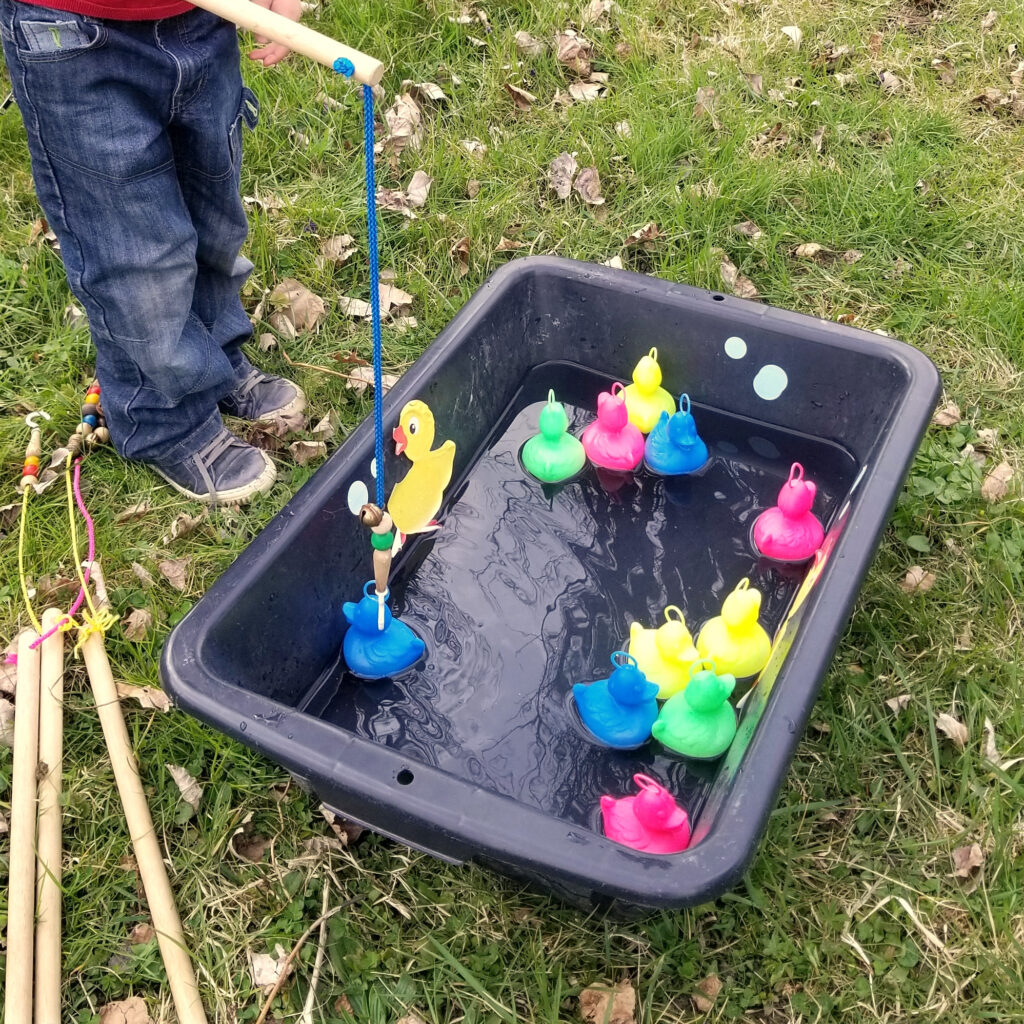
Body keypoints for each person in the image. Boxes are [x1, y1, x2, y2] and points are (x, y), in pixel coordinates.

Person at [0, 0, 307, 503]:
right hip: (76, 35)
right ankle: (165, 417)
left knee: (213, 215)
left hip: (203, 20)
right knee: (136, 251)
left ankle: (213, 357)